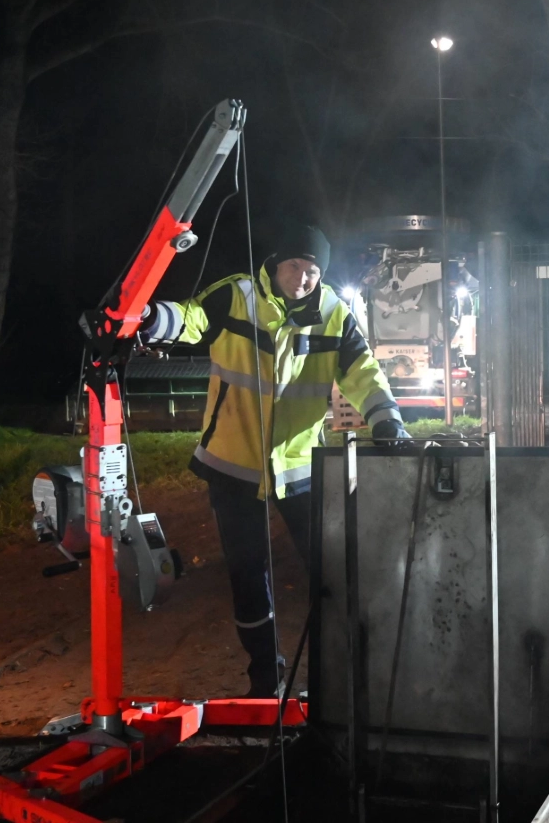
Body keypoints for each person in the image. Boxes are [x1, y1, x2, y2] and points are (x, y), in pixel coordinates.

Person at [139, 224, 409, 696]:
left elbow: (364, 372)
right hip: (232, 464)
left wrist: (387, 420)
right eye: (294, 267)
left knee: (330, 572)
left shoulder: (334, 314)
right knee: (248, 575)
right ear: (275, 263)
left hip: (301, 468)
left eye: (312, 271)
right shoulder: (237, 295)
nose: (302, 279)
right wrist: (149, 316)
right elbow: (191, 319)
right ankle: (265, 680)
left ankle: (341, 679)